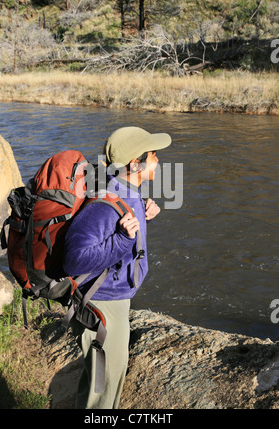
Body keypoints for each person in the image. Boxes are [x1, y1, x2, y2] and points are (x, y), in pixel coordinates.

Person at [63, 126, 172, 409]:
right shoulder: (104, 202)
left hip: (114, 301)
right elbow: (73, 260)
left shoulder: (128, 190)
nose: (158, 161)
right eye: (154, 155)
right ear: (135, 164)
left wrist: (144, 214)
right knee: (103, 390)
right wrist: (123, 240)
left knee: (103, 384)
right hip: (101, 307)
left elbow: (118, 228)